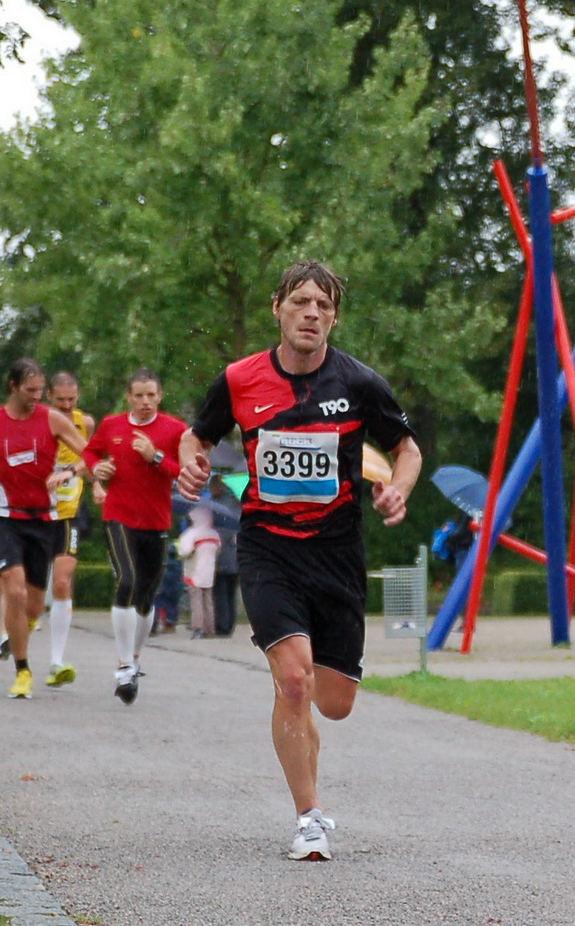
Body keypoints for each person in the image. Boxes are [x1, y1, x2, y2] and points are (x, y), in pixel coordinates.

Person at [178, 260, 421, 862]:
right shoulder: (239, 380)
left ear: (334, 316)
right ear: (278, 308)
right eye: (301, 302)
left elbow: (406, 449)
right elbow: (198, 436)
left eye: (324, 305)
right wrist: (192, 461)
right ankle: (308, 817)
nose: (312, 313)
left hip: (337, 554)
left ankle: (303, 721)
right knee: (293, 681)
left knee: (332, 702)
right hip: (268, 548)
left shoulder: (360, 384)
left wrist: (399, 489)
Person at [0, 358, 89, 699]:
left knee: (32, 605)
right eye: (30, 391)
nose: (36, 397)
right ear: (12, 386)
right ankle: (23, 670)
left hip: (43, 520)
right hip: (4, 517)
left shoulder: (53, 419)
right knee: (12, 590)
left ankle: (20, 631)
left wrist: (69, 472)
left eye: (40, 391)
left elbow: (91, 456)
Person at [82, 368, 188, 703]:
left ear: (160, 396)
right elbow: (90, 452)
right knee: (127, 580)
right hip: (119, 515)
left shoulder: (175, 430)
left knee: (145, 597)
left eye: (151, 395)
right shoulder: (112, 425)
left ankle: (135, 660)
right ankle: (124, 664)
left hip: (156, 521)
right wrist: (97, 469)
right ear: (129, 397)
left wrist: (154, 456)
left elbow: (183, 471)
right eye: (138, 395)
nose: (145, 402)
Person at [45, 372, 96, 686]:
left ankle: (56, 660)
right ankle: (10, 635)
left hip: (69, 511)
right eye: (60, 400)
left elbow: (92, 459)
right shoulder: (35, 423)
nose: (66, 407)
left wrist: (82, 476)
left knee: (62, 581)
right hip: (33, 513)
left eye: (71, 400)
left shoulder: (85, 423)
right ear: (48, 396)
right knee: (27, 591)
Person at [177, 505, 220, 638]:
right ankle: (210, 627)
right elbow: (218, 550)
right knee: (208, 601)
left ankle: (197, 627)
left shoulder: (191, 533)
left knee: (196, 600)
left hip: (194, 570)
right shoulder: (214, 533)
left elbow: (183, 551)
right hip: (210, 570)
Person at [209, 476, 242, 637]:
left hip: (222, 556)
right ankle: (230, 625)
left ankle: (221, 626)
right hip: (237, 556)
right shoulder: (237, 503)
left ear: (216, 488)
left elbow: (220, 534)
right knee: (231, 593)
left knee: (220, 593)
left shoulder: (215, 506)